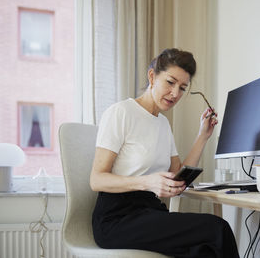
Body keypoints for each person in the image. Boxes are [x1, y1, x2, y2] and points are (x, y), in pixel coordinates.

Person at [90, 48, 240, 258]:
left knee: (205, 251)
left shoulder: (163, 124)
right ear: (152, 76)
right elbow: (97, 180)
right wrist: (147, 182)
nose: (175, 93)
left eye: (182, 88)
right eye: (170, 82)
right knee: (218, 229)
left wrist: (203, 136)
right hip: (117, 218)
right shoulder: (121, 113)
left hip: (150, 212)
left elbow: (178, 174)